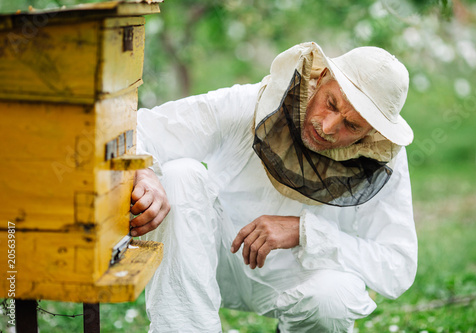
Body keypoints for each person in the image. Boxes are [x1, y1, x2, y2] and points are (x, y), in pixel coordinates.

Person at [129, 42, 418, 333]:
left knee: (334, 297)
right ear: (322, 76)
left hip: (298, 275)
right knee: (180, 174)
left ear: (373, 132)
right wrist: (143, 172)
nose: (328, 127)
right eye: (331, 104)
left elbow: (397, 266)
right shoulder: (248, 103)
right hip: (211, 257)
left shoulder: (383, 156)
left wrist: (304, 231)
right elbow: (139, 129)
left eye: (352, 126)